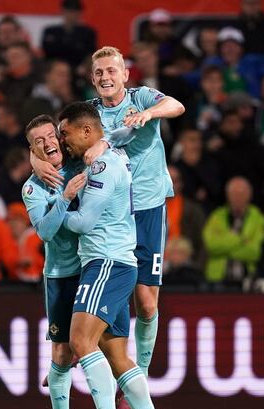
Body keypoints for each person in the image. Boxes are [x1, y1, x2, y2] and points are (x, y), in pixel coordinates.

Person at [33, 46, 184, 387]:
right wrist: (36, 161)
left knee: (145, 304)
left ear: (125, 75)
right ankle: (70, 351)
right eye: (99, 72)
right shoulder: (89, 115)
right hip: (106, 215)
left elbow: (177, 105)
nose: (105, 77)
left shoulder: (142, 98)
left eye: (111, 71)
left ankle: (138, 373)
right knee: (94, 286)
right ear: (92, 79)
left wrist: (149, 114)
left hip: (145, 209)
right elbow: (53, 142)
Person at [57, 102, 171, 409]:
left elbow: (83, 222)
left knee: (80, 340)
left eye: (66, 134)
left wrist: (58, 206)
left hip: (105, 262)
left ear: (88, 131)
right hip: (116, 262)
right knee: (119, 357)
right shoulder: (110, 156)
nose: (63, 142)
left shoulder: (104, 165)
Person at [22, 114, 87, 409]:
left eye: (50, 136)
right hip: (61, 273)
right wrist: (63, 198)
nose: (47, 144)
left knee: (100, 344)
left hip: (94, 264)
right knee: (61, 352)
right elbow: (45, 232)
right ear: (31, 150)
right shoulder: (32, 187)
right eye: (38, 143)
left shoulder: (80, 162)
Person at [202, 176, 264, 282]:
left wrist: (224, 247)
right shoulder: (216, 217)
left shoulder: (259, 219)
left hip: (248, 279)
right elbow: (211, 246)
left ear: (249, 195)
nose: (237, 197)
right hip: (217, 279)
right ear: (227, 195)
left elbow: (255, 252)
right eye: (234, 194)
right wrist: (241, 239)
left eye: (241, 194)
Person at [41, 0, 97, 69]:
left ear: (80, 14)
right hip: (53, 69)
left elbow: (90, 55)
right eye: (69, 11)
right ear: (62, 11)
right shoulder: (50, 31)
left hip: (78, 69)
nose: (71, 15)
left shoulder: (87, 33)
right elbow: (46, 52)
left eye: (75, 12)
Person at [6, 202, 44, 282]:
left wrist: (32, 261)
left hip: (36, 285)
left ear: (25, 221)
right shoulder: (8, 239)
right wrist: (18, 262)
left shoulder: (35, 236)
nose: (14, 224)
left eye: (18, 220)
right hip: (16, 284)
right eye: (11, 221)